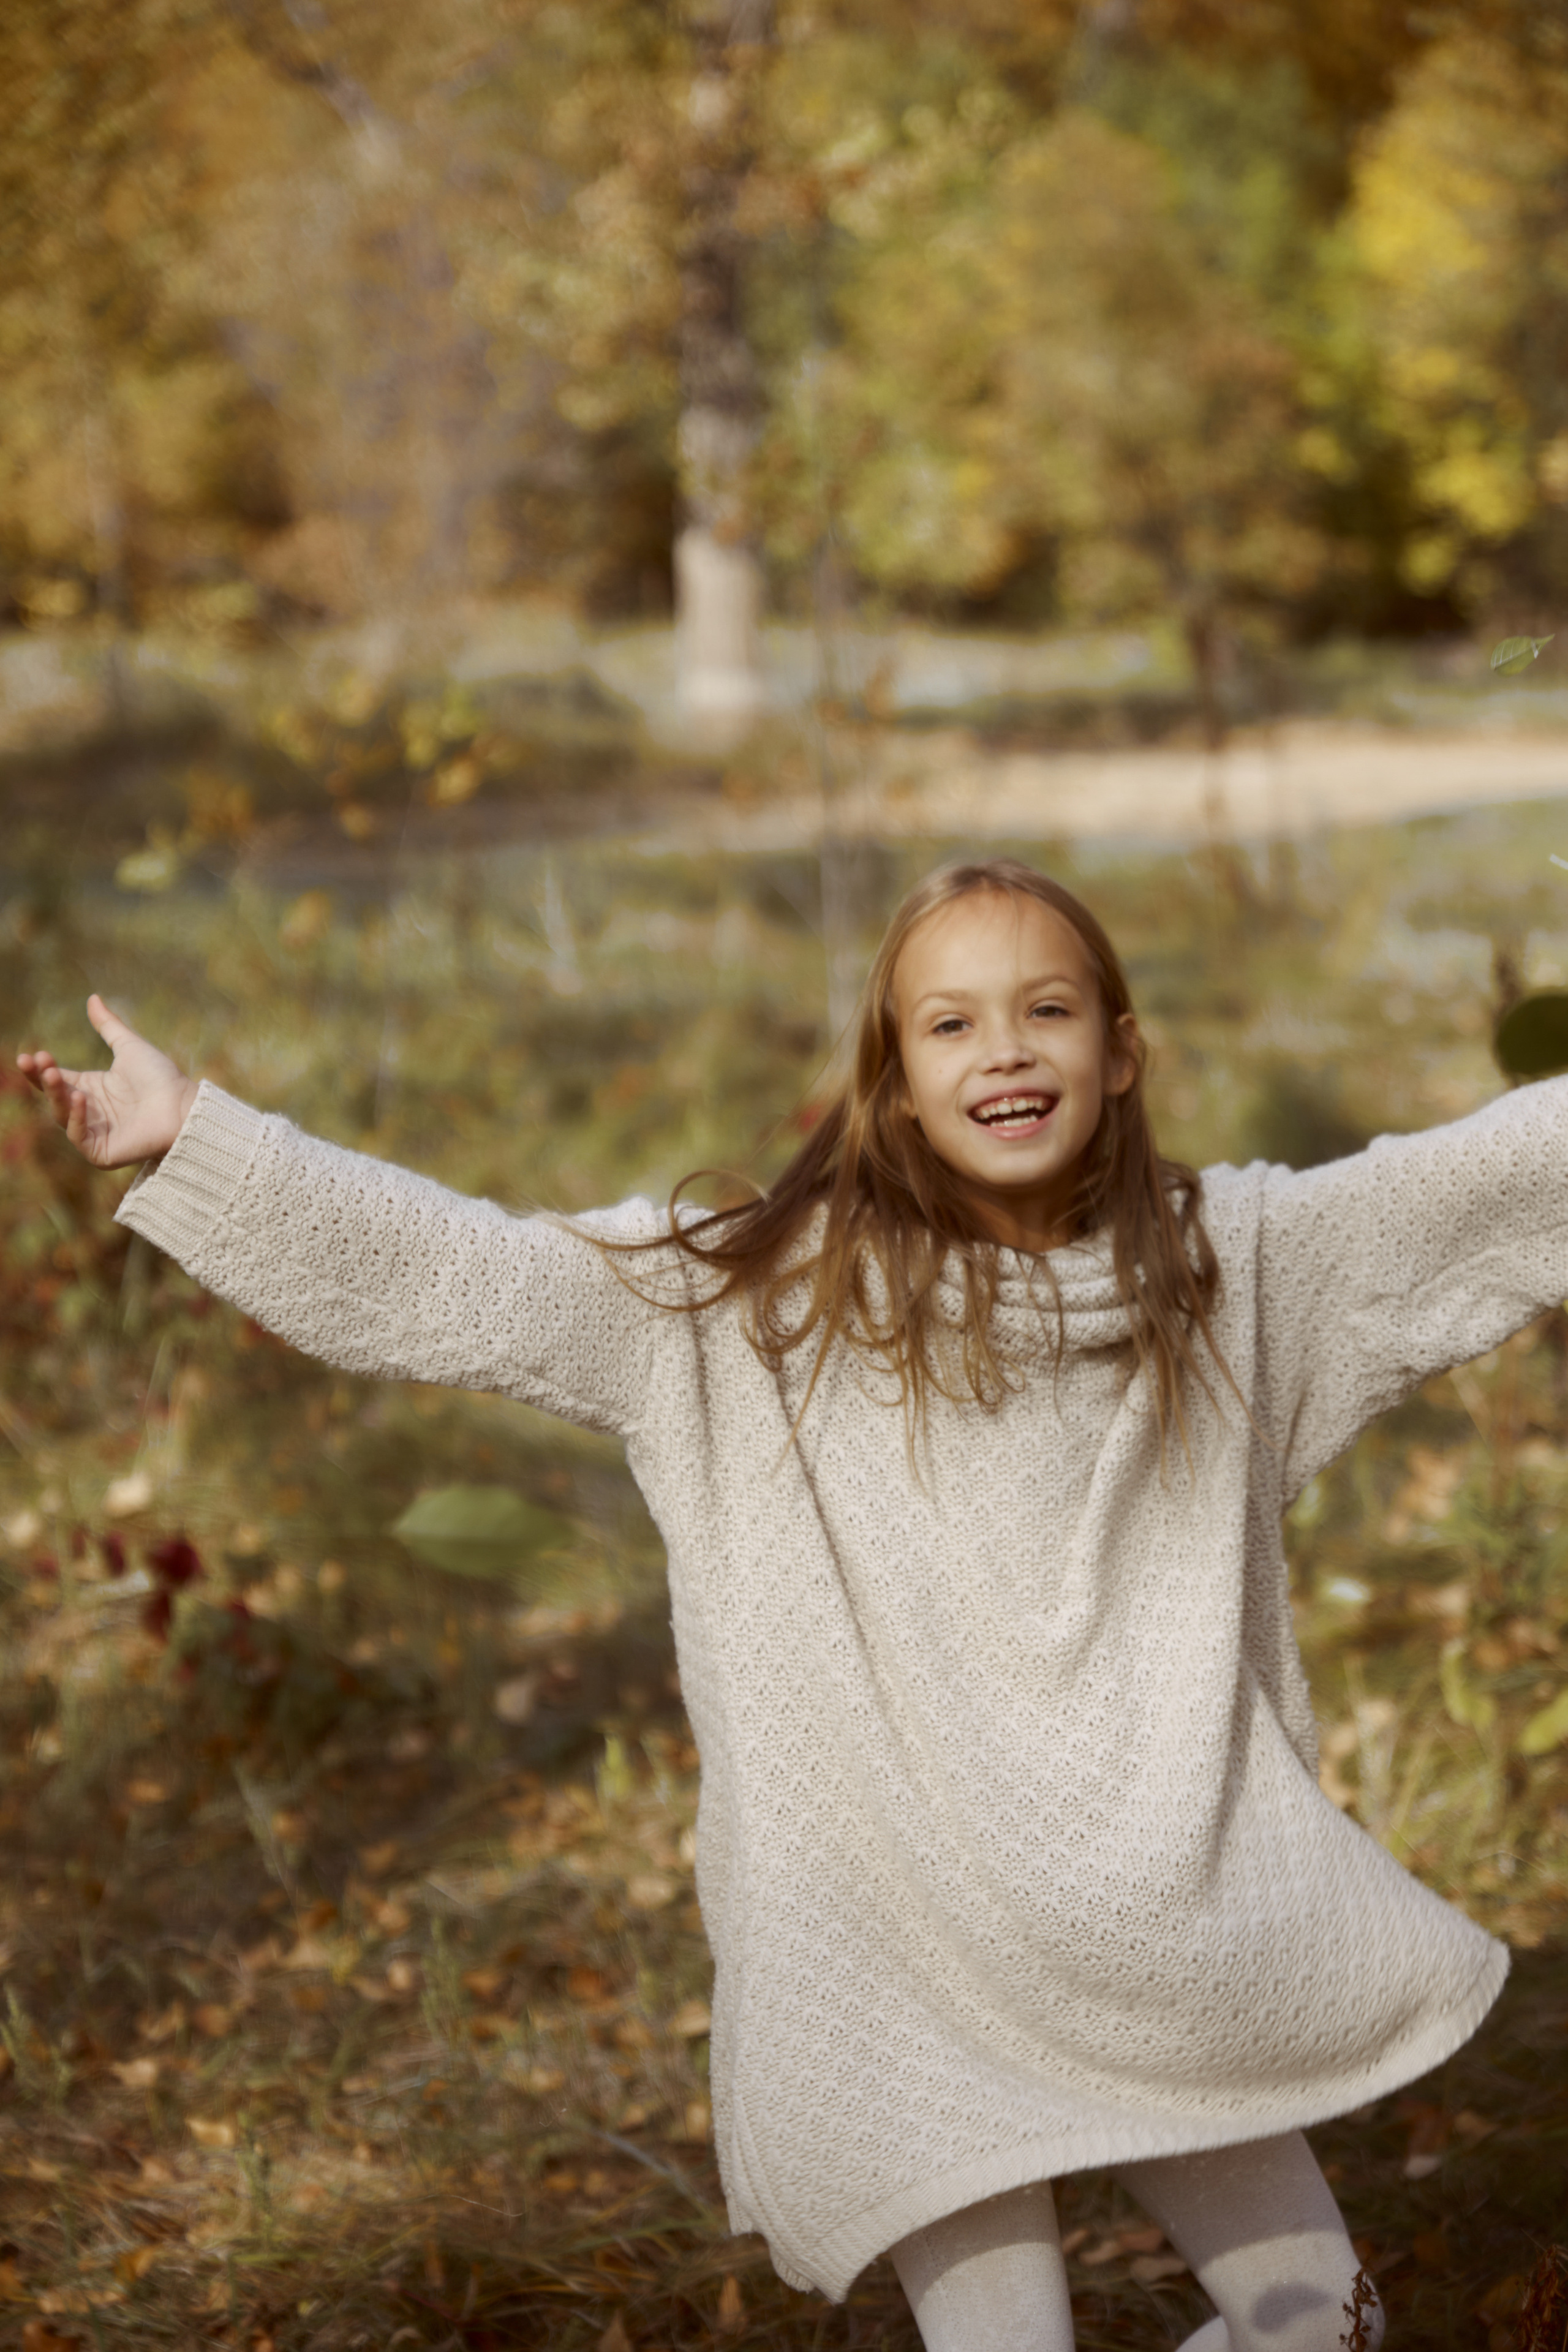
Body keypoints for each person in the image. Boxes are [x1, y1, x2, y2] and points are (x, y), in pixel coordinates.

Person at [21, 854, 1554, 2352]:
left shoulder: (1237, 1271)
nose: (1003, 1049)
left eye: (1045, 1010)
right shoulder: (760, 1301)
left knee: (1327, 2321)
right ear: (894, 1084)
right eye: (948, 1023)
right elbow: (468, 1278)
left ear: (1120, 1050)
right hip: (900, 1936)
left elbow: (1476, 1187)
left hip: (1156, 1926)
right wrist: (196, 1138)